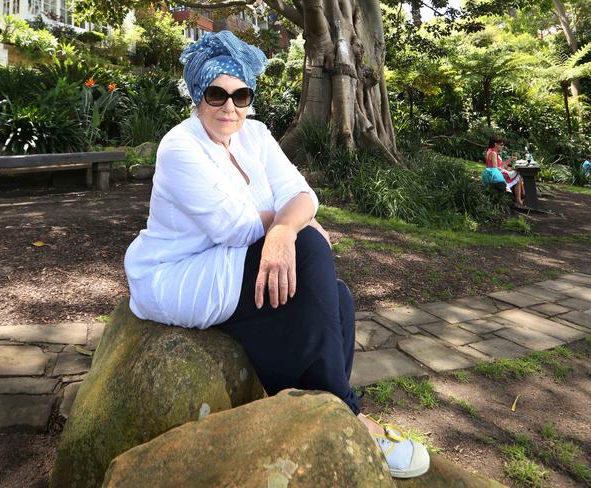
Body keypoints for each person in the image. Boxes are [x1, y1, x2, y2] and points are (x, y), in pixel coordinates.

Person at [124, 31, 429, 479]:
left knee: (338, 299)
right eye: (216, 94)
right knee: (309, 249)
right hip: (181, 273)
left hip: (234, 259)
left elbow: (303, 194)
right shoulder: (180, 147)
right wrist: (291, 228)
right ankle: (346, 416)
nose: (230, 107)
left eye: (241, 95)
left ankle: (309, 410)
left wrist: (287, 224)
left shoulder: (257, 135)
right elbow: (233, 226)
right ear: (197, 95)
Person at [486, 137, 525, 207]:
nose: (502, 146)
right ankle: (519, 200)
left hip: (492, 173)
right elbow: (496, 168)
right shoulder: (493, 153)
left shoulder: (491, 151)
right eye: (501, 145)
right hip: (494, 175)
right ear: (495, 144)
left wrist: (509, 160)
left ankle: (520, 196)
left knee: (515, 173)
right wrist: (506, 170)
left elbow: (500, 165)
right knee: (517, 175)